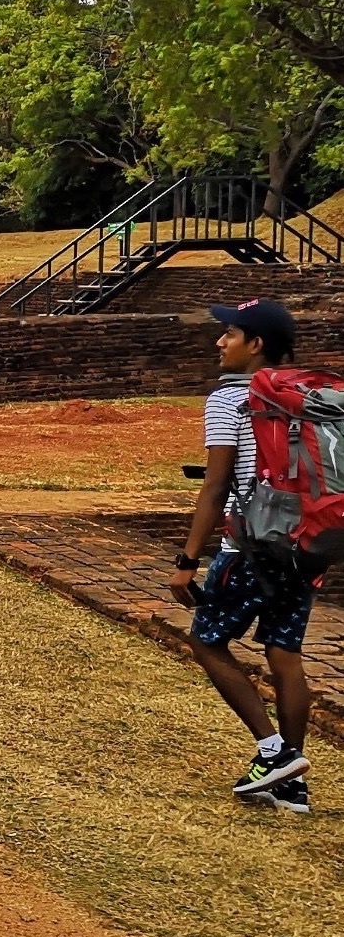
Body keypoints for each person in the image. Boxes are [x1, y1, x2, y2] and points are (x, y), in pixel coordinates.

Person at [170, 299, 315, 812]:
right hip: (306, 541)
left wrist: (189, 558)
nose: (219, 341)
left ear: (255, 344)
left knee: (207, 642)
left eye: (228, 333)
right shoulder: (308, 396)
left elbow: (216, 486)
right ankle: (292, 782)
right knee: (284, 654)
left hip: (250, 543)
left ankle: (273, 751)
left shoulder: (229, 399)